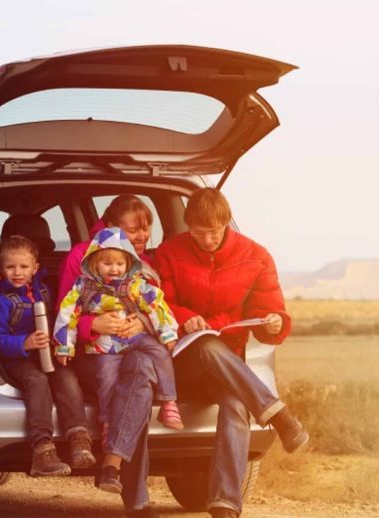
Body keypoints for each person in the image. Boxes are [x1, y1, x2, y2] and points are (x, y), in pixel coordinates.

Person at [155, 187, 309, 518]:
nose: (208, 239)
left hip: (227, 364)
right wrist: (183, 318)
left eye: (214, 231)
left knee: (236, 402)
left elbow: (271, 310)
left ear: (226, 222)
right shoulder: (169, 253)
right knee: (207, 345)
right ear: (187, 225)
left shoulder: (255, 256)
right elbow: (158, 303)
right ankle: (279, 416)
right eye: (199, 232)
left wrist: (273, 322)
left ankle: (225, 504)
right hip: (180, 363)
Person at [57, 194, 158, 514]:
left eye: (147, 228)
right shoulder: (80, 256)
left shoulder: (147, 265)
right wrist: (92, 323)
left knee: (140, 372)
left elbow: (159, 310)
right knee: (134, 384)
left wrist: (140, 321)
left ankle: (113, 467)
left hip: (135, 350)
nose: (142, 236)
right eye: (134, 230)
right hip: (93, 353)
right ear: (112, 226)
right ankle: (136, 498)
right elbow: (63, 310)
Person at [0, 235, 96, 477]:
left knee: (66, 377)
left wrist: (58, 343)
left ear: (35, 268)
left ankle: (79, 439)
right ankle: (42, 450)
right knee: (37, 381)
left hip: (45, 352)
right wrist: (24, 343)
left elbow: (60, 319)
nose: (17, 273)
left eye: (23, 267)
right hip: (15, 359)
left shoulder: (43, 290)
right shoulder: (1, 300)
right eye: (10, 267)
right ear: (0, 268)